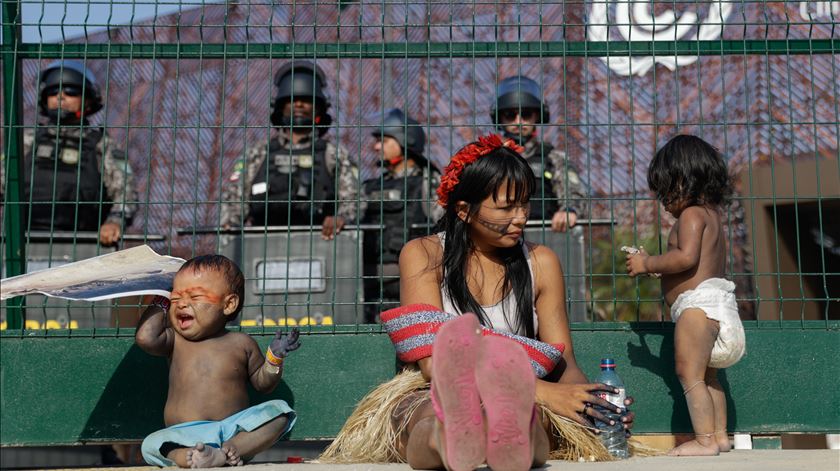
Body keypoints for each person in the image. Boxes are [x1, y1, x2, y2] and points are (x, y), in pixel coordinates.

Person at [321, 134, 635, 468]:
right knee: (421, 418)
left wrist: (592, 405)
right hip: (438, 391)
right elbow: (432, 363)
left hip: (520, 400)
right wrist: (541, 392)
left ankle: (508, 435)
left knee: (535, 419)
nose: (521, 217)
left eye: (525, 204)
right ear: (464, 210)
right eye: (506, 207)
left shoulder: (542, 262)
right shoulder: (423, 254)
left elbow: (564, 360)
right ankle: (452, 437)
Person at [626, 134, 746, 456]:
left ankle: (705, 441)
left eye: (666, 190)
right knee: (708, 378)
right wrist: (658, 267)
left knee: (689, 374)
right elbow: (690, 264)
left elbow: (686, 258)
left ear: (685, 179)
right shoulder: (710, 215)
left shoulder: (691, 215)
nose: (663, 200)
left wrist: (646, 262)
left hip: (697, 308)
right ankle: (719, 437)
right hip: (716, 306)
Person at [136, 255, 300, 468]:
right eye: (176, 298)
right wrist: (162, 298)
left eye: (195, 296)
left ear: (229, 304)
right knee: (151, 444)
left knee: (280, 413)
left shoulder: (241, 343)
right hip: (184, 433)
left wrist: (274, 358)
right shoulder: (175, 340)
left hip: (232, 429)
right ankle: (188, 457)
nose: (182, 304)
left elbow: (264, 384)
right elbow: (145, 337)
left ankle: (229, 452)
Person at [220, 61, 362, 240]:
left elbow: (354, 199)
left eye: (307, 101)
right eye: (293, 100)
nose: (300, 106)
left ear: (319, 108)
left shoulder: (333, 154)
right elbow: (233, 200)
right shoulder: (257, 154)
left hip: (321, 243)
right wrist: (230, 229)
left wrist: (342, 218)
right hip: (261, 244)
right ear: (280, 107)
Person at [0, 60, 136, 245]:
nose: (60, 97)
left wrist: (114, 222)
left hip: (84, 246)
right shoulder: (25, 141)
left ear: (88, 99)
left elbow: (126, 194)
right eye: (53, 91)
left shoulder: (102, 146)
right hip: (20, 244)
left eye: (70, 92)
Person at [362, 108, 442, 323]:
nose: (376, 146)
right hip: (371, 281)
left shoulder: (429, 181)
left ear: (405, 141)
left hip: (415, 277)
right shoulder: (370, 186)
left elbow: (444, 224)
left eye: (384, 140)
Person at [490, 75, 589, 232]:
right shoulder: (486, 158)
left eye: (526, 114)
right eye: (510, 115)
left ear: (537, 115)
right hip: (496, 237)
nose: (518, 121)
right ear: (500, 118)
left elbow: (574, 192)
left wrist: (569, 210)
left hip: (543, 238)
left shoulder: (553, 157)